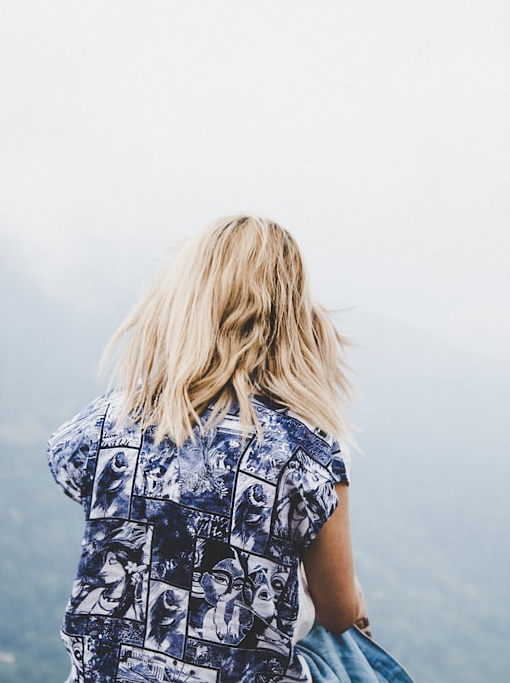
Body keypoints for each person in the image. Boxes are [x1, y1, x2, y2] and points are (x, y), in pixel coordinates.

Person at [47, 215, 366, 683]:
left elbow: (70, 469)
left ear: (184, 303)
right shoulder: (310, 449)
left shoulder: (107, 421)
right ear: (292, 316)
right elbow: (338, 612)